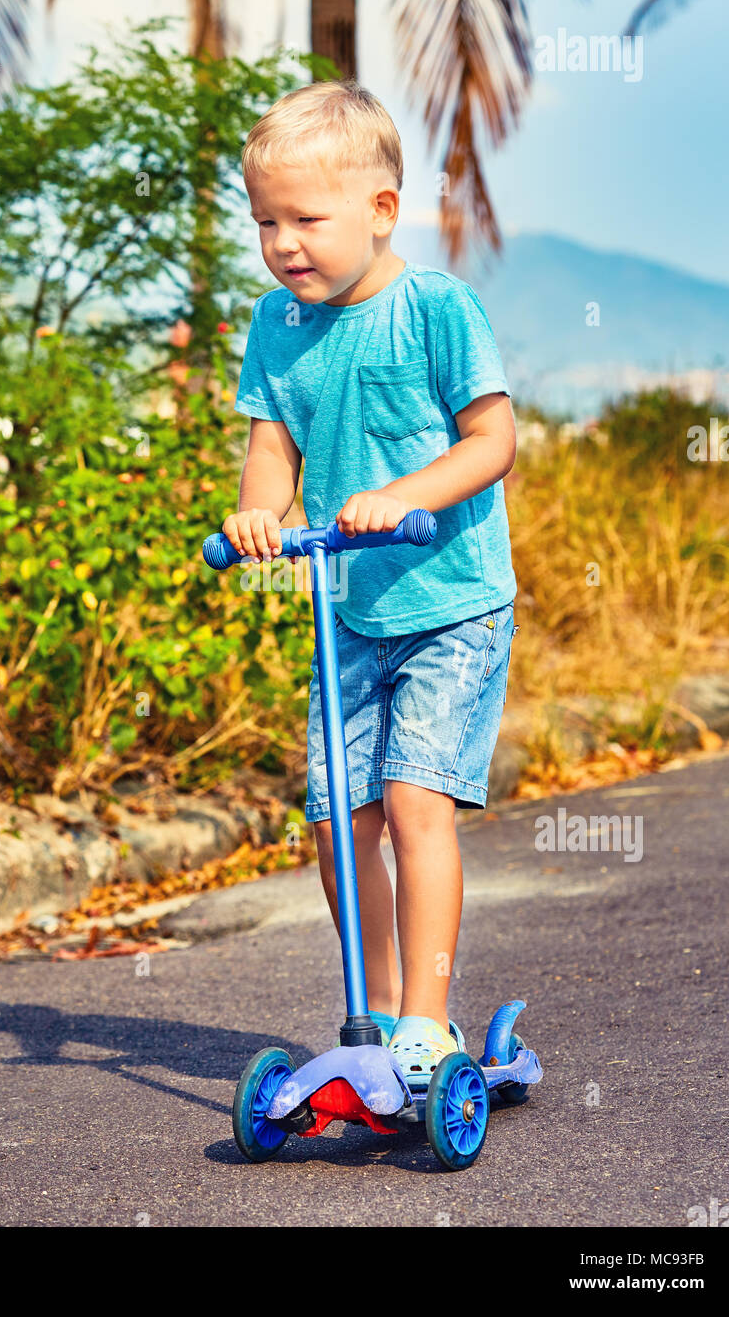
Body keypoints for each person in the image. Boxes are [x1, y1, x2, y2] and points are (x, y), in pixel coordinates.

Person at [222, 78, 519, 1083]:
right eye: (265, 220)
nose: (283, 243)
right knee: (333, 815)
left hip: (449, 602)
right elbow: (273, 448)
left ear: (381, 209)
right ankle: (377, 1014)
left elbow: (490, 441)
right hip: (345, 611)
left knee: (408, 800)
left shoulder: (434, 308)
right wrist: (260, 507)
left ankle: (426, 1022)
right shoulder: (275, 324)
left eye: (305, 218)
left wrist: (403, 491)